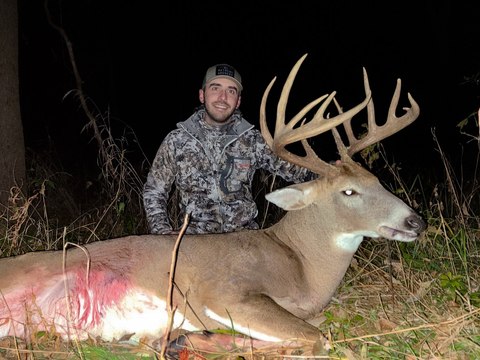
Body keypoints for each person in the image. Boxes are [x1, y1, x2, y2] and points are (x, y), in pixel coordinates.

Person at [143, 63, 315, 235]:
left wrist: (331, 169)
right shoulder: (177, 140)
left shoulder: (253, 140)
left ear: (238, 101)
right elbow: (154, 192)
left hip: (244, 239)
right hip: (195, 242)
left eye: (231, 91)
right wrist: (162, 233)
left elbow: (295, 170)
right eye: (215, 88)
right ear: (202, 95)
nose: (223, 97)